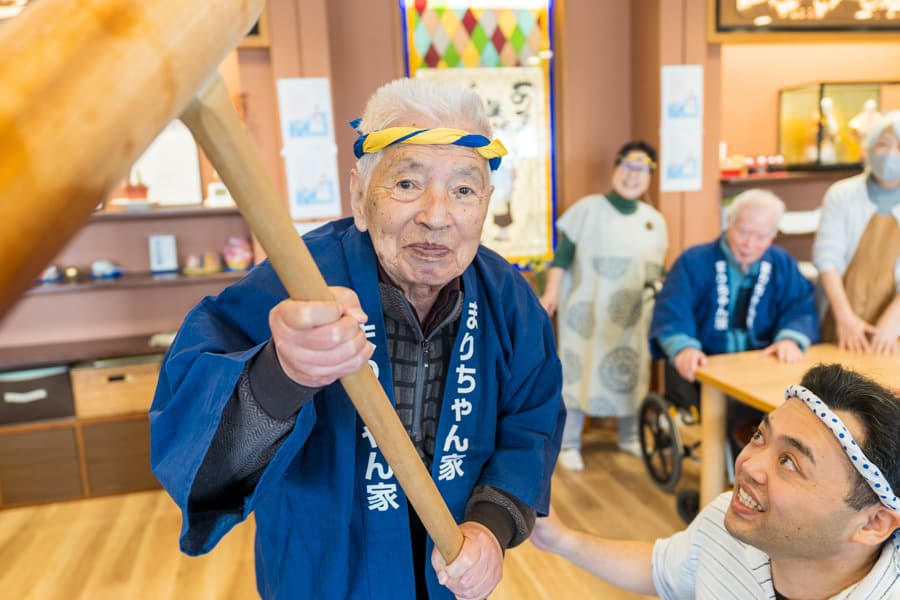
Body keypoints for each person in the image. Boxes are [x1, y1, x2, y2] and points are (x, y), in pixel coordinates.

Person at [149, 78, 565, 600]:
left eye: (463, 190)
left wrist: (490, 527)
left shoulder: (509, 300)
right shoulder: (295, 282)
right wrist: (281, 375)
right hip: (323, 575)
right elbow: (194, 431)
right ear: (360, 196)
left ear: (485, 205)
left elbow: (531, 423)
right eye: (408, 184)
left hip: (452, 572)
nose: (437, 216)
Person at [531, 363, 900, 599]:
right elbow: (664, 568)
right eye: (759, 436)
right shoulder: (731, 520)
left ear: (873, 523)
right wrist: (563, 540)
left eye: (789, 462)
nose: (749, 465)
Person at [540, 141, 668, 470]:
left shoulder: (654, 221)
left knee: (632, 372)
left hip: (632, 314)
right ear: (615, 169)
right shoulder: (588, 210)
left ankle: (629, 438)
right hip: (587, 311)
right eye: (627, 166)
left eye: (641, 170)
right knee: (577, 372)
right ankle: (568, 444)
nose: (632, 176)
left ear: (650, 177)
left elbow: (658, 272)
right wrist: (550, 293)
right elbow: (562, 258)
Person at [650, 188, 818, 385]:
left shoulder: (781, 263)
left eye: (761, 236)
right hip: (706, 367)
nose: (749, 243)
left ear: (773, 235)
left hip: (762, 368)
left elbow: (800, 307)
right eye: (743, 232)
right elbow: (673, 310)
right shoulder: (694, 261)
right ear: (728, 222)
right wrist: (683, 348)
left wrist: (790, 340)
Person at [813, 110, 900, 356]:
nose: (891, 154)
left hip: (892, 325)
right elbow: (826, 259)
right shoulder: (842, 194)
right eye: (883, 144)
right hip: (840, 315)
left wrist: (892, 322)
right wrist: (844, 317)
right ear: (870, 148)